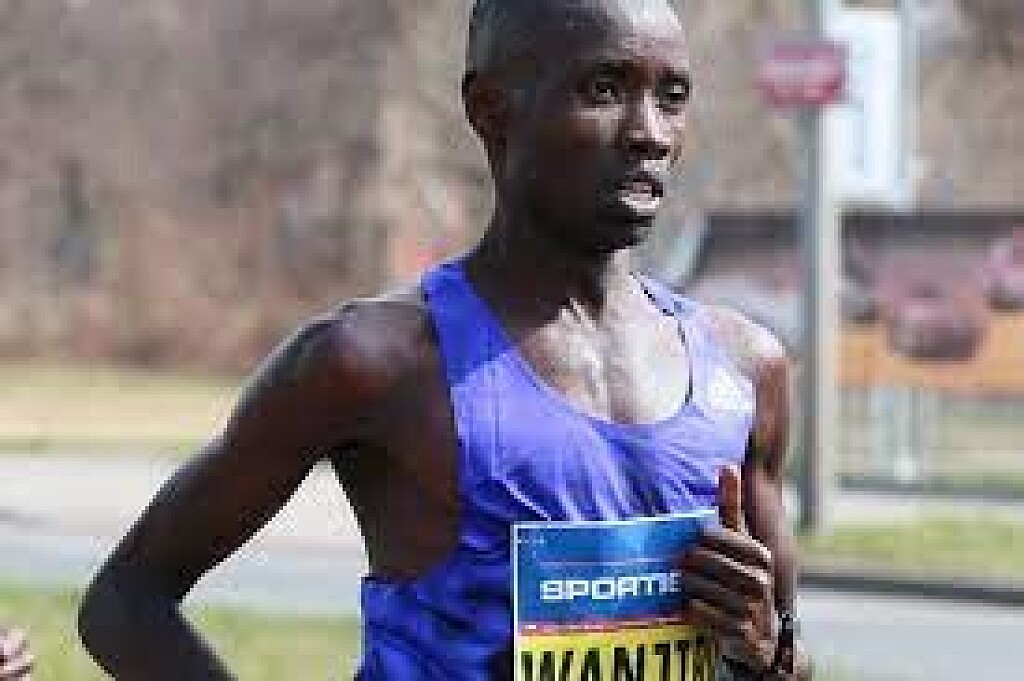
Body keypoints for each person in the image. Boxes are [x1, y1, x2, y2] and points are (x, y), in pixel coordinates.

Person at [78, 0, 810, 678]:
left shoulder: (746, 370)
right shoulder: (377, 362)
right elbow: (126, 600)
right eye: (603, 90)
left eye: (672, 96)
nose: (649, 131)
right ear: (491, 108)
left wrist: (763, 648)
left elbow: (788, 661)